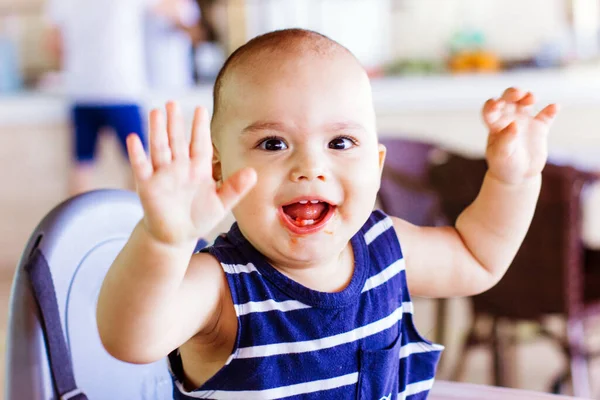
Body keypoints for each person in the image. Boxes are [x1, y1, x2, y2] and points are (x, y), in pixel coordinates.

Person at [96, 29, 558, 399]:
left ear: (376, 167)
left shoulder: (386, 248)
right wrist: (163, 241)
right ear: (219, 170)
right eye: (273, 143)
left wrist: (513, 180)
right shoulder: (220, 286)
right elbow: (131, 339)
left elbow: (479, 259)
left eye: (340, 143)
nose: (311, 167)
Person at [45, 0, 182, 195]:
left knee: (81, 167)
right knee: (139, 168)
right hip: (121, 91)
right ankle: (133, 221)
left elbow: (54, 44)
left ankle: (77, 225)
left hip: (82, 91)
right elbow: (176, 10)